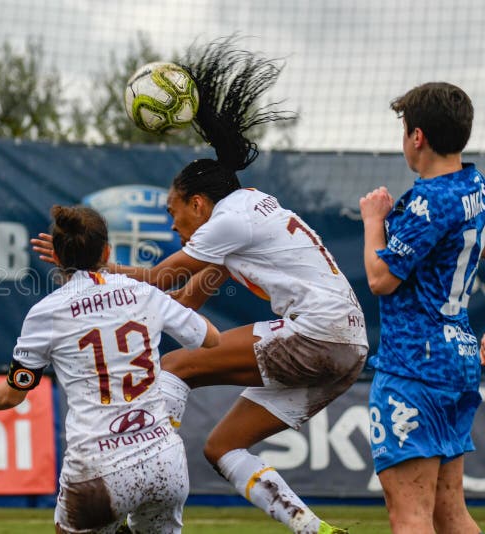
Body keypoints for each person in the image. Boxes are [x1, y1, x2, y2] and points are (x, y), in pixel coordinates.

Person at [32, 38, 367, 534]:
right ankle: (314, 530)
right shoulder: (247, 211)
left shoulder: (227, 222)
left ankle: (147, 466)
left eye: (174, 213)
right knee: (222, 446)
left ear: (198, 203)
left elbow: (162, 277)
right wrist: (135, 303)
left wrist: (96, 267)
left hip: (317, 332)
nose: (174, 226)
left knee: (176, 366)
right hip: (349, 347)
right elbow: (185, 301)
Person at [0, 205, 220, 533]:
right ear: (107, 251)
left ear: (56, 257)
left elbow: (13, 395)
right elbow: (210, 339)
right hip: (164, 460)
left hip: (98, 467)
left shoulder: (46, 313)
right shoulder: (145, 294)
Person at [359, 82, 483, 534]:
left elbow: (380, 279)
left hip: (415, 367)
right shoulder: (476, 186)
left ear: (417, 137)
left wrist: (374, 221)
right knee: (450, 513)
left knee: (409, 515)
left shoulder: (430, 202)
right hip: (458, 361)